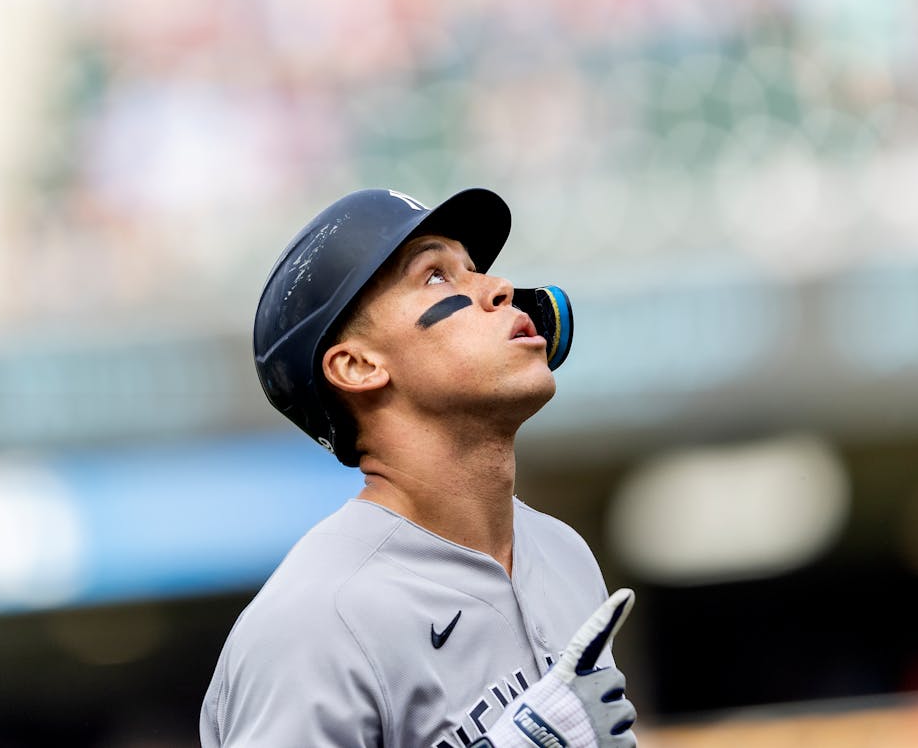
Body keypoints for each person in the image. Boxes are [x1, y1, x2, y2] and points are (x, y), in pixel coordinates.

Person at [200, 187, 637, 748]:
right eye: (436, 275)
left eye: (474, 268)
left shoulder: (564, 553)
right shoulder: (315, 622)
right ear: (358, 365)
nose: (500, 289)